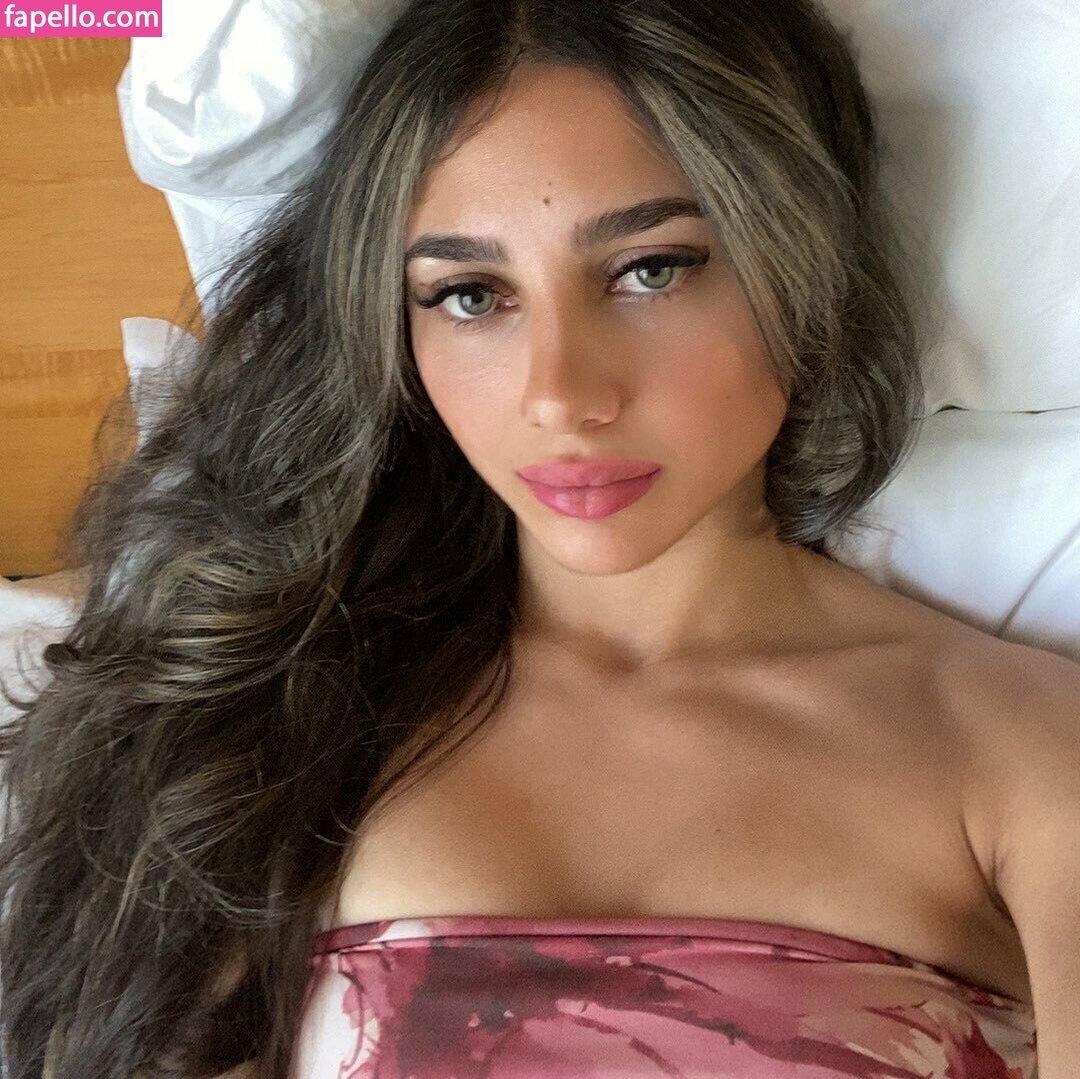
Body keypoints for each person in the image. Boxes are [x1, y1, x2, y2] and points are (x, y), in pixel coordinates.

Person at [2, 0, 1078, 1076]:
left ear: (801, 258)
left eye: (651, 268)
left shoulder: (1018, 747)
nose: (560, 394)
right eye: (471, 294)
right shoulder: (260, 723)